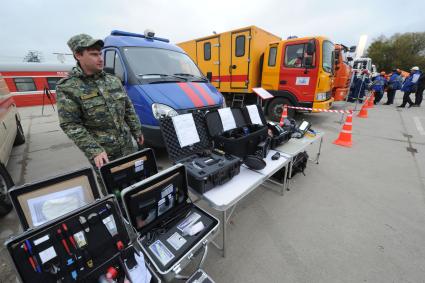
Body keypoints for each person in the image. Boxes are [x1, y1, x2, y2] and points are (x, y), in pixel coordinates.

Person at [56, 34, 144, 176]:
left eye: (100, 54)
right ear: (78, 55)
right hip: (104, 153)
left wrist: (136, 129)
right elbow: (70, 124)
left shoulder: (113, 80)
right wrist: (94, 150)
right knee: (112, 188)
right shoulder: (68, 87)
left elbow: (128, 107)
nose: (100, 58)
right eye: (94, 54)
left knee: (135, 178)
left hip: (128, 146)